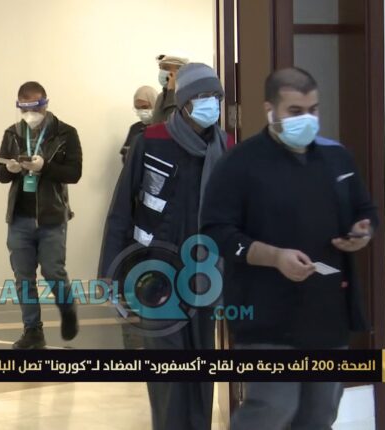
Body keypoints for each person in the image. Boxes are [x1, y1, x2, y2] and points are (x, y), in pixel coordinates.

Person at [200, 67, 379, 430]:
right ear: (271, 110)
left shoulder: (337, 158)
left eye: (313, 110)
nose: (307, 119)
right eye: (295, 111)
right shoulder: (239, 163)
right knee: (273, 408)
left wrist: (363, 230)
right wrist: (274, 257)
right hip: (266, 316)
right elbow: (216, 232)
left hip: (327, 313)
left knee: (319, 414)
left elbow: (365, 209)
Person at [99, 63, 233, 430]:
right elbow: (121, 209)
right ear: (185, 101)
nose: (212, 103)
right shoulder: (151, 140)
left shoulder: (226, 148)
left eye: (216, 96)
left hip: (205, 274)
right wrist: (109, 271)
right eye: (203, 96)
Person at [0, 81, 82, 349]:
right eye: (24, 108)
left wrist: (45, 167)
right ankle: (32, 330)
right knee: (23, 277)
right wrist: (9, 169)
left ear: (45, 103)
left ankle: (67, 307)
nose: (29, 113)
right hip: (19, 217)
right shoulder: (13, 133)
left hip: (51, 216)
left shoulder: (65, 133)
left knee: (53, 271)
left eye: (34, 107)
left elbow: (74, 173)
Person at [120, 85, 158, 164]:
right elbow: (125, 157)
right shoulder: (135, 128)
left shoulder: (166, 127)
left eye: (145, 107)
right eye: (137, 108)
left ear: (155, 103)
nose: (141, 111)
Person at [152, 53, 189, 124]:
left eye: (165, 68)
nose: (161, 71)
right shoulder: (160, 97)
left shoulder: (187, 97)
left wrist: (171, 91)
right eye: (160, 68)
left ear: (180, 71)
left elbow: (173, 124)